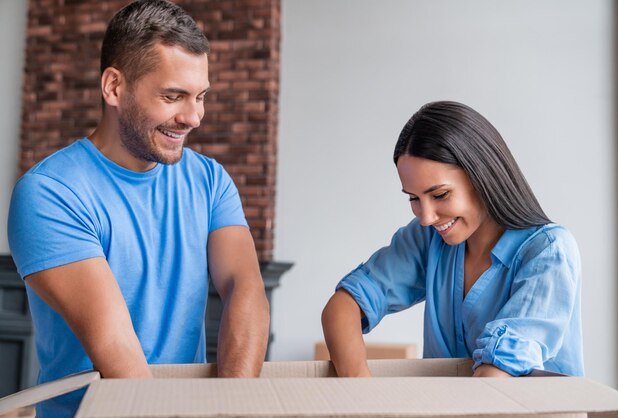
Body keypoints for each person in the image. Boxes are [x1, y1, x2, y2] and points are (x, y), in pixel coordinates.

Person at [7, 0, 269, 416]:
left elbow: (245, 287)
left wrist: (231, 404)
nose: (194, 117)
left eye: (200, 96)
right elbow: (117, 347)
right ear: (114, 87)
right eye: (173, 96)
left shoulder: (210, 180)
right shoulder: (50, 194)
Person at [321, 101, 583, 378]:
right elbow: (341, 308)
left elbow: (495, 379)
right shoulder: (428, 239)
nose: (426, 216)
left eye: (440, 195)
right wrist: (362, 395)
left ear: (483, 177)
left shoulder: (548, 252)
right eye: (413, 198)